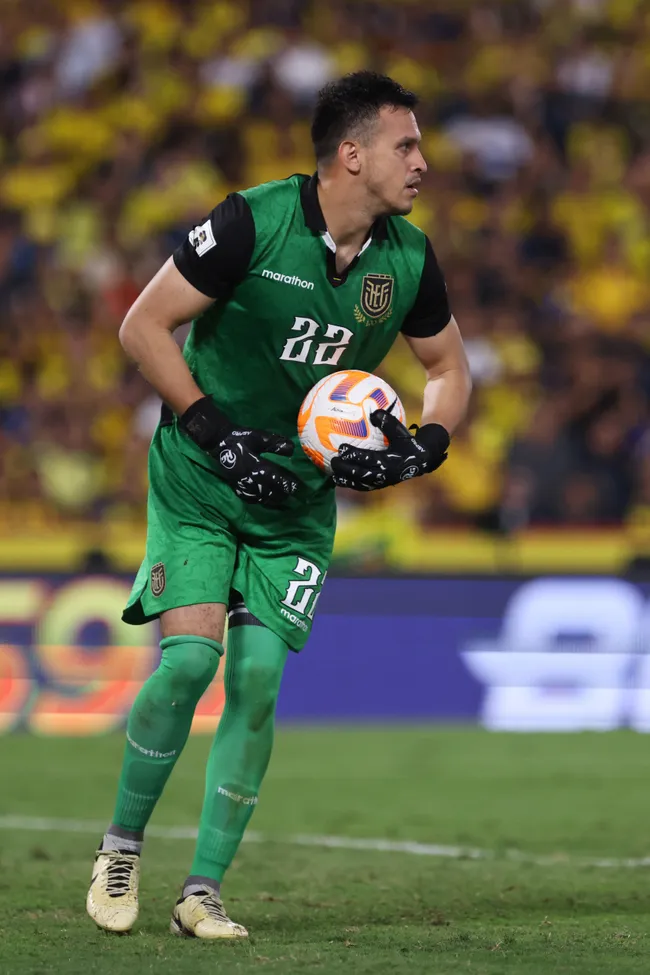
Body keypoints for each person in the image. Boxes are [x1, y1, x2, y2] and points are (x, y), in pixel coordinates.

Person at [86, 71, 472, 941]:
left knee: (256, 683)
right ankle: (119, 847)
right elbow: (142, 327)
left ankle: (203, 892)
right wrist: (215, 430)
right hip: (199, 474)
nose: (422, 161)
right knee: (188, 667)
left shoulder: (407, 259)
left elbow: (449, 370)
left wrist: (425, 444)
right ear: (352, 154)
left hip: (295, 503)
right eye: (405, 145)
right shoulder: (250, 223)